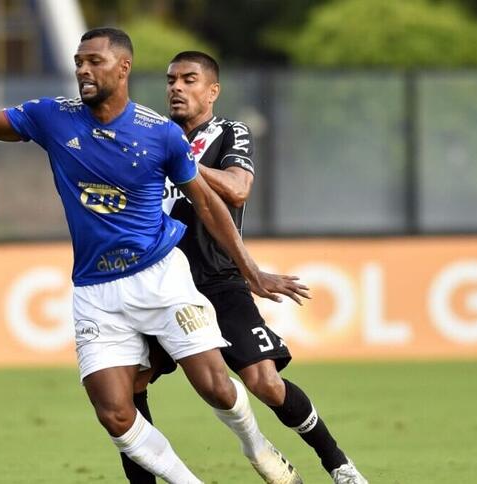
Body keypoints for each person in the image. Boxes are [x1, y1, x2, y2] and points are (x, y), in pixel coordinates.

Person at [0, 28, 309, 484]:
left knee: (216, 388)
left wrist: (251, 271)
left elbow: (208, 203)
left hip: (161, 277)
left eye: (94, 62)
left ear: (123, 68)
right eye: (78, 62)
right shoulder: (52, 116)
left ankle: (258, 448)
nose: (83, 70)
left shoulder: (160, 134)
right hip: (96, 290)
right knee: (115, 414)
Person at [116, 51, 369, 484]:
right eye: (170, 80)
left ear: (212, 91)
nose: (176, 87)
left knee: (265, 383)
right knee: (129, 387)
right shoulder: (149, 136)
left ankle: (340, 466)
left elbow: (237, 187)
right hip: (155, 280)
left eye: (189, 80)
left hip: (217, 280)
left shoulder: (228, 131)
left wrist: (182, 161)